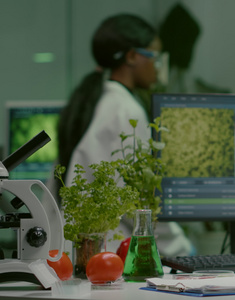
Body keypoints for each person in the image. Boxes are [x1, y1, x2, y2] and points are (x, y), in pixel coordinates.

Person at [56, 13, 193, 257]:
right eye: (155, 57)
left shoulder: (94, 101)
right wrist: (181, 247)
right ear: (131, 56)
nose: (157, 67)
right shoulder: (125, 111)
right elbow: (137, 201)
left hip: (83, 253)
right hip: (111, 254)